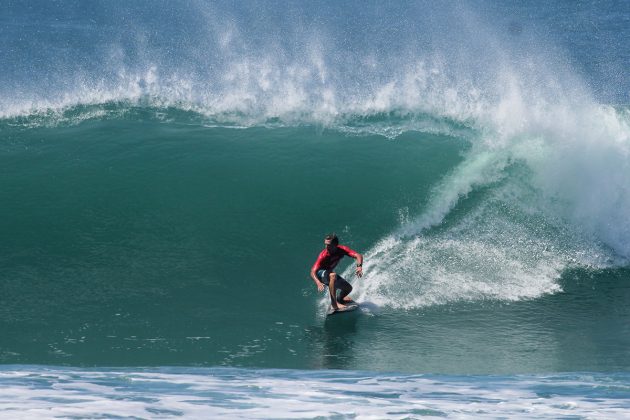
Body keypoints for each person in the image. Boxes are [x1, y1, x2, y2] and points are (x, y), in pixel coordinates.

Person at [310, 233, 363, 310]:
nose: (326, 247)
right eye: (325, 244)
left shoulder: (342, 250)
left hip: (330, 274)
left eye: (329, 245)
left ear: (335, 245)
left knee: (348, 288)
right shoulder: (323, 255)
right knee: (332, 275)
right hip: (320, 274)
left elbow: (358, 255)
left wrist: (359, 267)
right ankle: (334, 304)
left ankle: (340, 299)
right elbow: (312, 271)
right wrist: (318, 282)